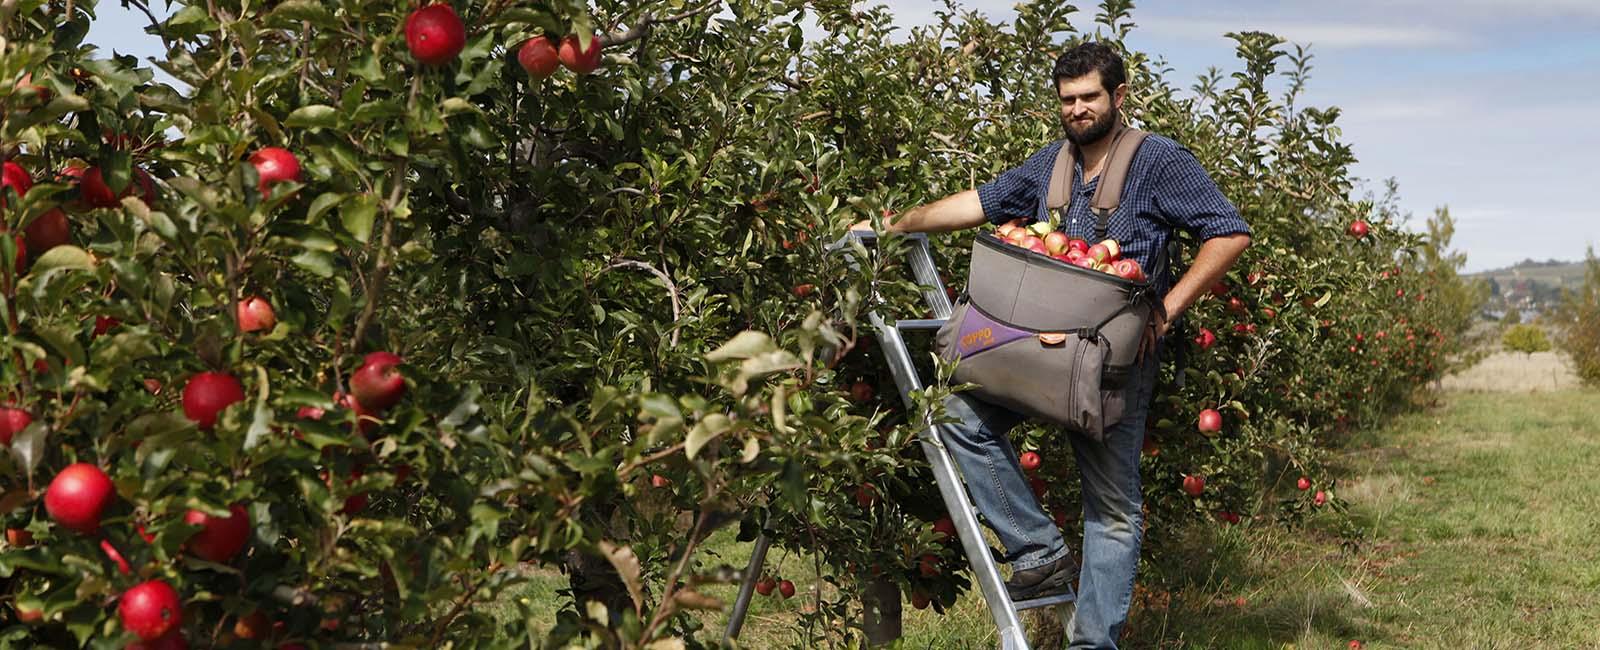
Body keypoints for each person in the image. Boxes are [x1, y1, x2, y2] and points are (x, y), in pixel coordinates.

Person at [851, 41, 1251, 648]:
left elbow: (1229, 232)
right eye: (1068, 99)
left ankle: (1092, 643)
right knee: (954, 409)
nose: (1079, 109)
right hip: (1037, 354)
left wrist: (1167, 309)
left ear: (1119, 96)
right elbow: (977, 203)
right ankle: (1038, 548)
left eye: (1090, 96)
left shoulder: (1159, 161)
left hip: (1111, 366)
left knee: (1112, 509)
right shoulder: (1051, 166)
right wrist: (894, 223)